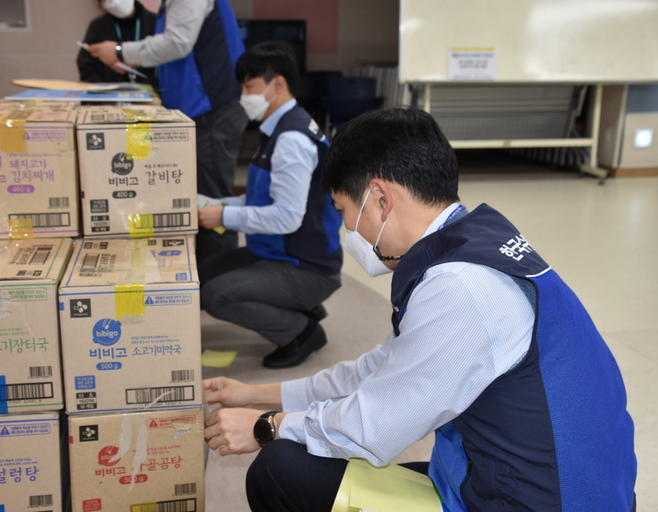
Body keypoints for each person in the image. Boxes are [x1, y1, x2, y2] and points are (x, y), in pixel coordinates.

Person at [203, 108, 637, 511]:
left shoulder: (459, 288)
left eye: (343, 211)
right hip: (544, 486)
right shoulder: (471, 243)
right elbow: (380, 369)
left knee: (281, 469)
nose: (345, 229)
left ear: (380, 199)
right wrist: (256, 393)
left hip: (533, 501)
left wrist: (266, 425)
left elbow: (371, 430)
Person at [198, 41, 343, 369]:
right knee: (201, 277)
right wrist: (211, 204)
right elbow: (260, 200)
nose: (242, 95)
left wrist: (221, 215)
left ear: (277, 84)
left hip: (305, 263)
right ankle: (300, 307)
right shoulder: (278, 127)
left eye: (249, 86)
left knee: (215, 295)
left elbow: (286, 217)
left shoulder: (291, 140)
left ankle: (301, 331)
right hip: (276, 249)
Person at [87, 0, 249, 263]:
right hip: (200, 109)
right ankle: (205, 273)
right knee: (198, 196)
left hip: (213, 110)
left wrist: (120, 50)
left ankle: (217, 276)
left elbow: (178, 43)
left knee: (212, 199)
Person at [77, 0, 158, 86]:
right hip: (107, 95)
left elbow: (164, 58)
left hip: (151, 94)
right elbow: (85, 64)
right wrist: (102, 90)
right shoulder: (98, 25)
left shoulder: (156, 22)